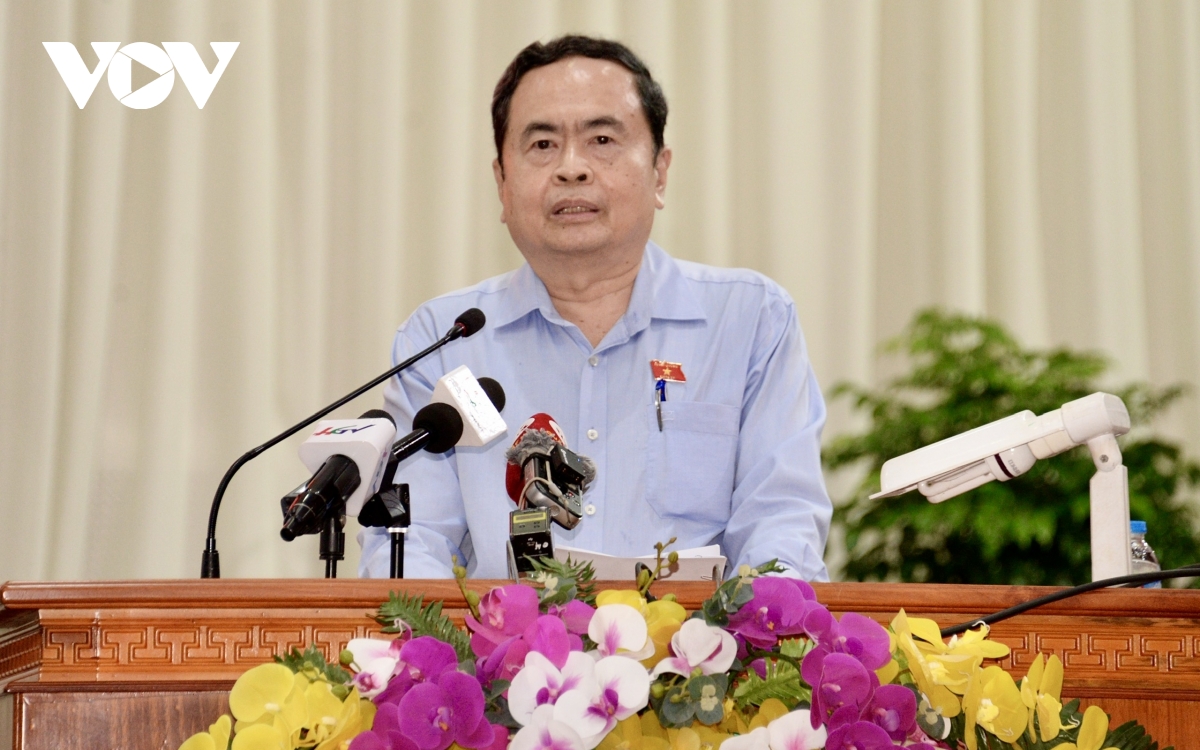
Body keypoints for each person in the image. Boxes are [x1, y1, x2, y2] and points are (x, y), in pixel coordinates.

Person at [359, 35, 832, 581]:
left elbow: (781, 529)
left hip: (701, 638)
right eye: (542, 144)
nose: (571, 168)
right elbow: (411, 543)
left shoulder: (750, 322)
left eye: (602, 139)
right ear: (502, 184)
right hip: (499, 639)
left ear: (659, 172)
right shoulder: (444, 342)